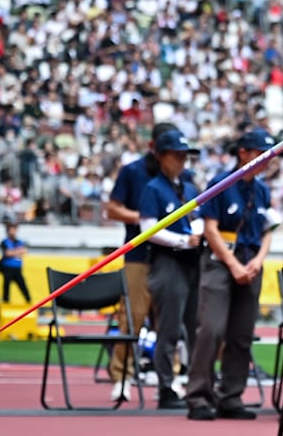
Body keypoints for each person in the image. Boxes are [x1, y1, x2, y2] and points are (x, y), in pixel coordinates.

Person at [186, 129, 280, 421]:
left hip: (251, 261)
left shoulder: (262, 190)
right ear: (243, 153)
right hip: (220, 260)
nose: (267, 160)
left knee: (241, 333)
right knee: (211, 330)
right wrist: (234, 264)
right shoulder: (220, 183)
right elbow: (210, 229)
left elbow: (268, 230)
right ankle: (199, 396)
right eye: (261, 153)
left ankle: (231, 395)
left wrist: (258, 261)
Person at [105, 121, 178, 403]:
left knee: (170, 321)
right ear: (154, 149)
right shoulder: (132, 172)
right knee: (132, 316)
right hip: (139, 255)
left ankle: (169, 377)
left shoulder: (176, 176)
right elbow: (112, 209)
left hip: (170, 258)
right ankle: (121, 375)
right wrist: (146, 220)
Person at [139, 130, 204, 410]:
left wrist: (197, 234)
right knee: (169, 326)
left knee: (194, 324)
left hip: (191, 259)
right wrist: (182, 239)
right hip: (167, 260)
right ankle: (166, 386)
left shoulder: (188, 188)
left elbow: (198, 217)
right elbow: (147, 229)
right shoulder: (153, 188)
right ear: (162, 157)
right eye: (176, 155)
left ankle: (196, 382)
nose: (182, 161)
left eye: (184, 156)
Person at [0, 222, 30, 303]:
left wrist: (13, 252)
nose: (12, 232)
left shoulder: (20, 241)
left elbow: (24, 251)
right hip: (7, 268)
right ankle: (6, 302)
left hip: (18, 268)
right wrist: (18, 252)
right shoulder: (4, 242)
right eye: (11, 230)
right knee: (6, 286)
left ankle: (29, 301)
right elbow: (7, 253)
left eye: (14, 230)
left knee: (23, 285)